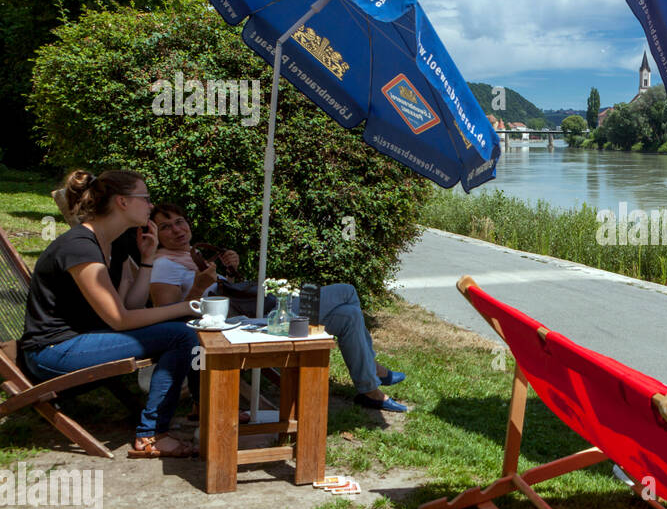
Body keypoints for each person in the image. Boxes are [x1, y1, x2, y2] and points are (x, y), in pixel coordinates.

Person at [146, 203, 407, 412]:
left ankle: (369, 390)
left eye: (179, 221)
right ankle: (373, 370)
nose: (177, 230)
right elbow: (169, 312)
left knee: (348, 315)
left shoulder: (191, 254)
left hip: (257, 312)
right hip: (252, 324)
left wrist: (231, 273)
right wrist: (198, 287)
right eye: (166, 227)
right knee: (346, 291)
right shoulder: (165, 265)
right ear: (157, 235)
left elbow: (225, 294)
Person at [20, 170, 201, 457]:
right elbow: (120, 320)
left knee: (181, 328)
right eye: (146, 198)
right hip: (52, 351)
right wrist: (187, 306)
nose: (150, 206)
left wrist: (147, 260)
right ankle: (151, 435)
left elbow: (130, 306)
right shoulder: (80, 247)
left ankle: (193, 411)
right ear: (123, 202)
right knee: (181, 334)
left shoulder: (110, 244)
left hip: (85, 339)